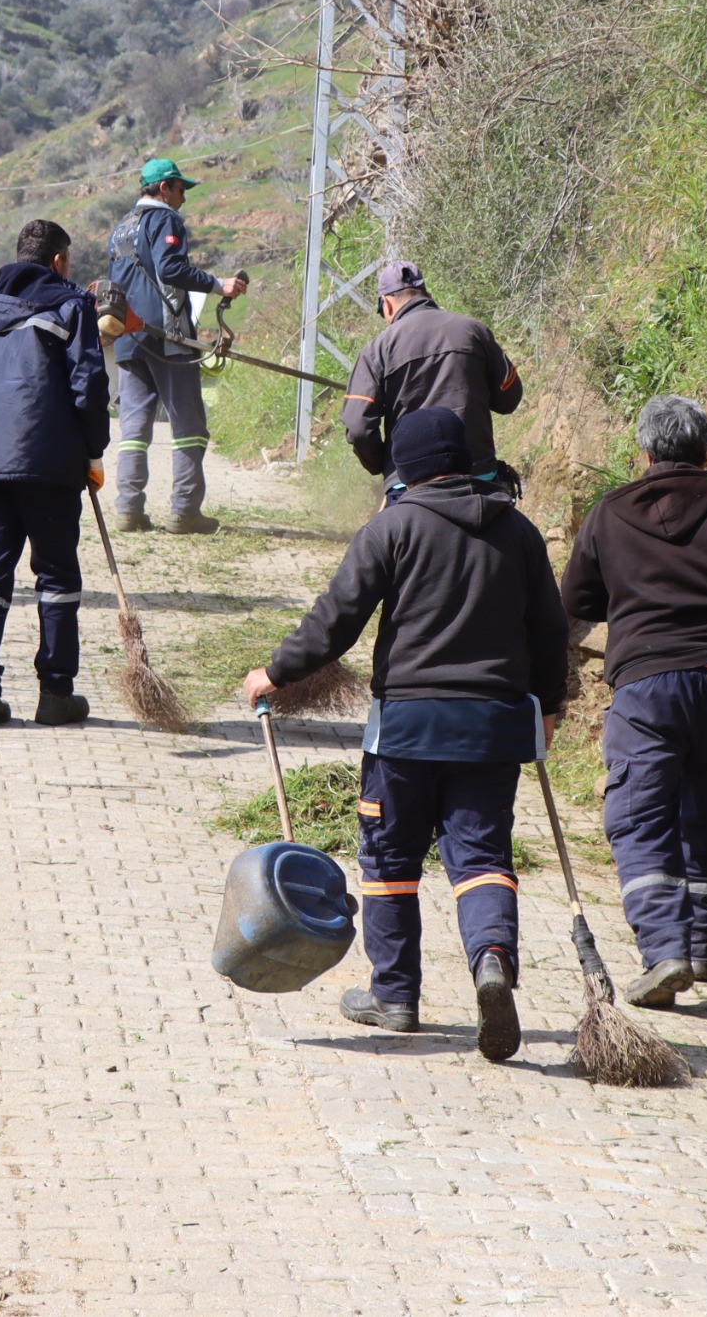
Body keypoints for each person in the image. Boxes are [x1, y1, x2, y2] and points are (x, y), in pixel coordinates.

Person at [241, 407, 567, 1064]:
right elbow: (549, 630)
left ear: (407, 469)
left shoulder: (391, 528)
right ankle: (491, 959)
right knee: (481, 857)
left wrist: (275, 672)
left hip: (406, 730)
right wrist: (549, 706)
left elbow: (336, 619)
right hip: (492, 729)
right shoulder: (519, 532)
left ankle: (393, 996)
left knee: (390, 860)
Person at [558, 394, 707, 1007]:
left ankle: (665, 950)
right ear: (705, 453)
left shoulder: (608, 514)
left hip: (648, 689)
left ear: (644, 453)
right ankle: (700, 947)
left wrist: (630, 599)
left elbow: (576, 601)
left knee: (640, 816)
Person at [0, 219, 110, 730]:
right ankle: (56, 694)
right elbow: (89, 387)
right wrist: (94, 454)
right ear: (59, 261)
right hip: (47, 462)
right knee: (56, 576)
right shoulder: (72, 307)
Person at [104, 156, 248, 535]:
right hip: (166, 336)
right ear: (164, 188)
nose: (184, 197)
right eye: (181, 189)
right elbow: (169, 269)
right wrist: (219, 284)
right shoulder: (165, 219)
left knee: (133, 429)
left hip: (127, 336)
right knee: (189, 424)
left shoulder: (120, 228)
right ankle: (185, 511)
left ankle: (128, 509)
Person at [341, 262, 524, 480]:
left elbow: (358, 427)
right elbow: (509, 398)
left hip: (409, 483)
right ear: (427, 295)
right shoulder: (475, 331)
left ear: (387, 304)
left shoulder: (376, 351)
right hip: (477, 473)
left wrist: (385, 465)